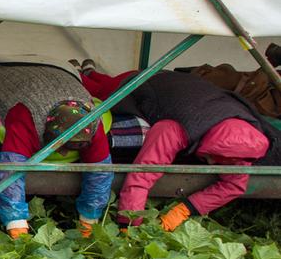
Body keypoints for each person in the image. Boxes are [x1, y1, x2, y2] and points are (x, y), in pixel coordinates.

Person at [82, 68, 281, 230]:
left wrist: (185, 209)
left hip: (182, 87)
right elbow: (144, 172)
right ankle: (80, 73)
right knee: (99, 90)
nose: (213, 163)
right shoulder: (176, 129)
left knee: (105, 80)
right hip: (142, 84)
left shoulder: (243, 139)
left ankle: (91, 70)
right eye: (212, 156)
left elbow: (234, 185)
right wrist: (130, 222)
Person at [0, 58, 113, 238]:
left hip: (58, 69)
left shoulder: (92, 124)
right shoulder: (25, 116)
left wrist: (89, 223)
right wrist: (17, 227)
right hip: (2, 73)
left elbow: (100, 173)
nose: (65, 153)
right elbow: (10, 173)